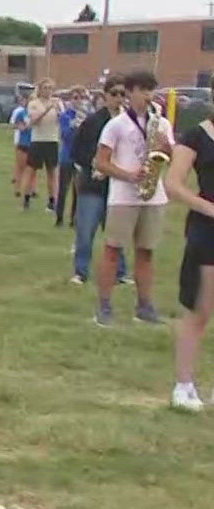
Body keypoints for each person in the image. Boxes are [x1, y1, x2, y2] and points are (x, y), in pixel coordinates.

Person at [93, 70, 173, 326]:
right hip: (124, 196)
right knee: (113, 251)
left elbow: (172, 156)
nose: (148, 96)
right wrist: (129, 175)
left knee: (146, 252)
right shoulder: (116, 124)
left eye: (151, 90)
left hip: (153, 196)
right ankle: (104, 307)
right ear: (130, 92)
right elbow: (101, 163)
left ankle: (145, 306)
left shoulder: (162, 122)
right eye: (143, 90)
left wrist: (165, 146)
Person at [167, 96, 214, 409]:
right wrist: (208, 208)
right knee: (201, 309)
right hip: (206, 230)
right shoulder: (196, 135)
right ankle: (183, 385)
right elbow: (173, 184)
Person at [69, 80, 129, 287]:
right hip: (92, 185)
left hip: (117, 185)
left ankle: (120, 273)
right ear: (105, 96)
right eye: (114, 94)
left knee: (115, 232)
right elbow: (76, 150)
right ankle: (80, 272)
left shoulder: (128, 122)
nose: (119, 98)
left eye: (122, 94)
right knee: (86, 230)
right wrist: (93, 165)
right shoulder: (93, 121)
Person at [24, 78, 62, 212]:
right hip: (38, 141)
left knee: (52, 172)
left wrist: (59, 111)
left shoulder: (57, 103)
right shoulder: (34, 104)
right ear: (40, 89)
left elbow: (62, 119)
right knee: (31, 171)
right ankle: (27, 198)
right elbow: (34, 121)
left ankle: (52, 201)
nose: (48, 91)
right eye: (45, 88)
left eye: (50, 88)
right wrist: (47, 109)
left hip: (52, 140)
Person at [55, 88, 86, 228]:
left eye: (81, 98)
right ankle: (59, 217)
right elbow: (65, 136)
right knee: (63, 189)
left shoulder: (88, 116)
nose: (78, 100)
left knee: (78, 191)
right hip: (67, 157)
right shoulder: (65, 116)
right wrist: (74, 124)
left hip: (80, 157)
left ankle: (74, 218)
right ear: (70, 100)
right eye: (75, 97)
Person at [10, 94, 33, 200]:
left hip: (34, 143)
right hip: (23, 143)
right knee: (21, 167)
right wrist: (25, 125)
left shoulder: (37, 113)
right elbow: (19, 127)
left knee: (32, 169)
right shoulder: (22, 112)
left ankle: (30, 190)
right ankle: (18, 189)